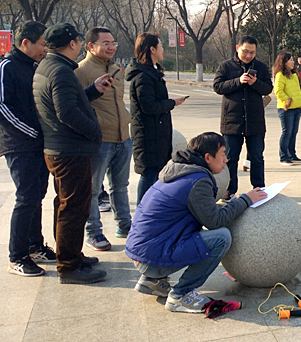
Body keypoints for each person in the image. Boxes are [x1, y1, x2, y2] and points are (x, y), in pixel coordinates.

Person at [125, 132, 267, 313]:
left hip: (141, 255)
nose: (226, 159)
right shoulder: (197, 181)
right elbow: (215, 221)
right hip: (152, 258)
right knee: (221, 238)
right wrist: (245, 200)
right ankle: (181, 295)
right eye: (223, 154)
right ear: (208, 157)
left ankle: (152, 281)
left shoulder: (179, 170)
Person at [33, 23, 113, 284]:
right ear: (73, 43)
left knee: (65, 205)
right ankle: (69, 266)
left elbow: (67, 102)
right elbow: (66, 112)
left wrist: (91, 91)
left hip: (60, 148)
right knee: (74, 209)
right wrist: (95, 130)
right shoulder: (61, 71)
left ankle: (71, 255)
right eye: (79, 41)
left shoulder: (49, 66)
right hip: (70, 150)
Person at [1, 21, 57, 277]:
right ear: (26, 43)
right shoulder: (7, 66)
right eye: (42, 44)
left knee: (36, 196)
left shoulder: (34, 66)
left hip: (37, 144)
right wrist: (30, 131)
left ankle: (35, 246)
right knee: (26, 198)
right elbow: (2, 107)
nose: (45, 49)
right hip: (19, 145)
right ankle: (17, 256)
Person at [75, 27, 132, 252]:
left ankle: (125, 226)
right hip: (99, 139)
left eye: (113, 43)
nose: (111, 47)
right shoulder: (81, 71)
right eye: (105, 43)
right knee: (93, 190)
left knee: (120, 186)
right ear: (91, 46)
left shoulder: (117, 69)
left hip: (122, 136)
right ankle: (94, 232)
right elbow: (76, 104)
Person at [126, 32, 186, 205]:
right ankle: (142, 213)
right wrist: (171, 103)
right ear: (152, 49)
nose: (163, 49)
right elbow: (149, 106)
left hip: (157, 133)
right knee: (149, 175)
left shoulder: (152, 72)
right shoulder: (142, 76)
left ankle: (152, 211)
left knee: (157, 174)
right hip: (148, 135)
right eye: (160, 46)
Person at [213, 35, 273, 200]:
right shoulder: (225, 66)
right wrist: (238, 81)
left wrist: (255, 83)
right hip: (232, 121)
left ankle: (259, 188)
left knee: (257, 158)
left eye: (252, 53)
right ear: (238, 48)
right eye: (245, 51)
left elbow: (268, 88)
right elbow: (218, 86)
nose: (248, 55)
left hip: (255, 121)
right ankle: (229, 189)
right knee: (230, 158)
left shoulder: (260, 67)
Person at [273, 52, 301, 166]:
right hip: (286, 109)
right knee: (287, 132)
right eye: (290, 60)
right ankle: (283, 157)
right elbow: (278, 91)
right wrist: (288, 100)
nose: (293, 62)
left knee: (293, 132)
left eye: (292, 60)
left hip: (296, 107)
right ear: (284, 62)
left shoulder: (294, 74)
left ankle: (292, 155)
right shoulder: (280, 75)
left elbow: (298, 91)